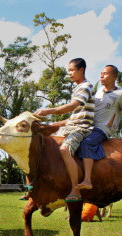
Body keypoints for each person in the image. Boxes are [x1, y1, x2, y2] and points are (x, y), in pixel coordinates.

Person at [35, 58, 95, 203]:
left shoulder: (85, 86)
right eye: (68, 70)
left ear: (82, 70)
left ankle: (76, 189)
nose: (69, 73)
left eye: (72, 70)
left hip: (81, 128)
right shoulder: (77, 88)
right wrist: (56, 124)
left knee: (64, 150)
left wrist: (49, 111)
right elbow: (73, 117)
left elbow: (72, 106)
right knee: (44, 144)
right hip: (72, 125)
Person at [77, 65, 122, 191]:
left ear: (114, 76)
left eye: (105, 73)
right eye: (101, 73)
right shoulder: (99, 90)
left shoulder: (120, 94)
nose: (101, 76)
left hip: (103, 129)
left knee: (87, 143)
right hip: (90, 126)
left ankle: (87, 180)